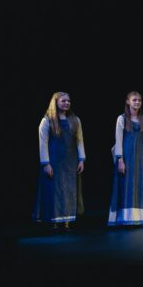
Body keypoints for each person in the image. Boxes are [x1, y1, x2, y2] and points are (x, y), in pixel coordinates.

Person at [34, 91, 85, 229]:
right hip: (54, 161)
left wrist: (81, 159)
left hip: (70, 161)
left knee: (69, 189)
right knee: (55, 190)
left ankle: (67, 219)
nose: (67, 103)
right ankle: (54, 220)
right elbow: (43, 143)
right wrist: (45, 163)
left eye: (68, 101)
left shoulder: (75, 120)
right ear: (55, 102)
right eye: (63, 101)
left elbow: (79, 140)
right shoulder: (47, 120)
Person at [108, 91, 143, 226]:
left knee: (140, 185)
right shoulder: (122, 119)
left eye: (139, 100)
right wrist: (120, 160)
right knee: (126, 185)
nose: (137, 102)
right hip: (126, 158)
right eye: (134, 100)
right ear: (128, 101)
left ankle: (140, 216)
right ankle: (126, 217)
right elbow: (118, 141)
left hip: (140, 158)